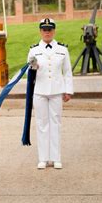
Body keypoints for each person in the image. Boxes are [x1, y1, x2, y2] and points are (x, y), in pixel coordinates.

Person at [27, 18, 73, 170]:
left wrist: (68, 90)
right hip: (39, 90)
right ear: (40, 31)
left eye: (50, 29)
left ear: (54, 30)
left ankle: (56, 158)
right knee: (42, 124)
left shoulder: (62, 49)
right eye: (44, 29)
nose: (47, 32)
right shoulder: (34, 50)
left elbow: (67, 72)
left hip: (56, 91)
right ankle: (43, 158)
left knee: (56, 123)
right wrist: (34, 67)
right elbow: (29, 72)